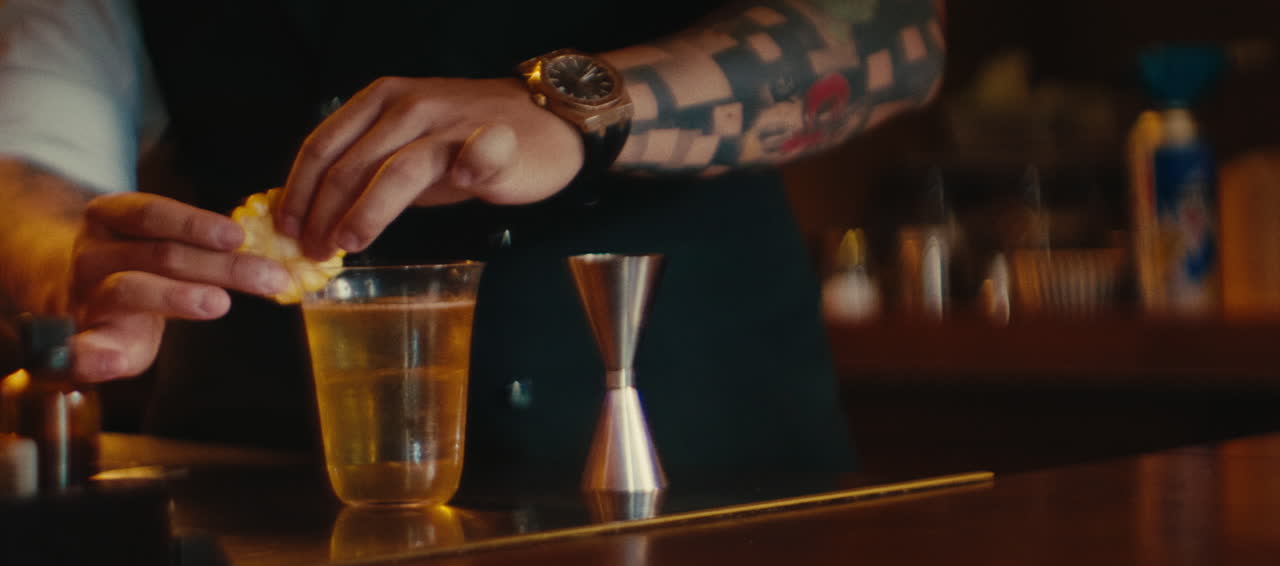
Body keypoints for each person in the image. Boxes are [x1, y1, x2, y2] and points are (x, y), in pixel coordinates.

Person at [0, 0, 945, 477]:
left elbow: (894, 35)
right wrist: (62, 255)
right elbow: (36, 124)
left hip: (698, 476)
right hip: (263, 494)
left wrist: (574, 107)